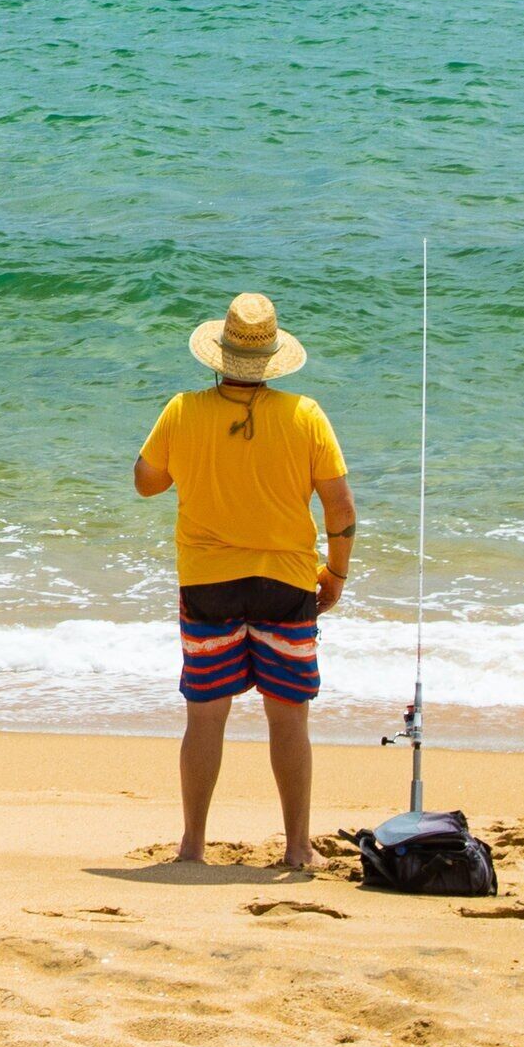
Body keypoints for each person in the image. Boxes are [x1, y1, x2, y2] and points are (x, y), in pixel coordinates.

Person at [132, 291, 353, 871]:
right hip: (286, 581)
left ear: (217, 356)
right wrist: (336, 573)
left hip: (208, 582)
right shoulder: (305, 414)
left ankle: (192, 846)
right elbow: (340, 507)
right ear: (273, 358)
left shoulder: (183, 409)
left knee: (206, 713)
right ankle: (298, 847)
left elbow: (146, 483)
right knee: (289, 716)